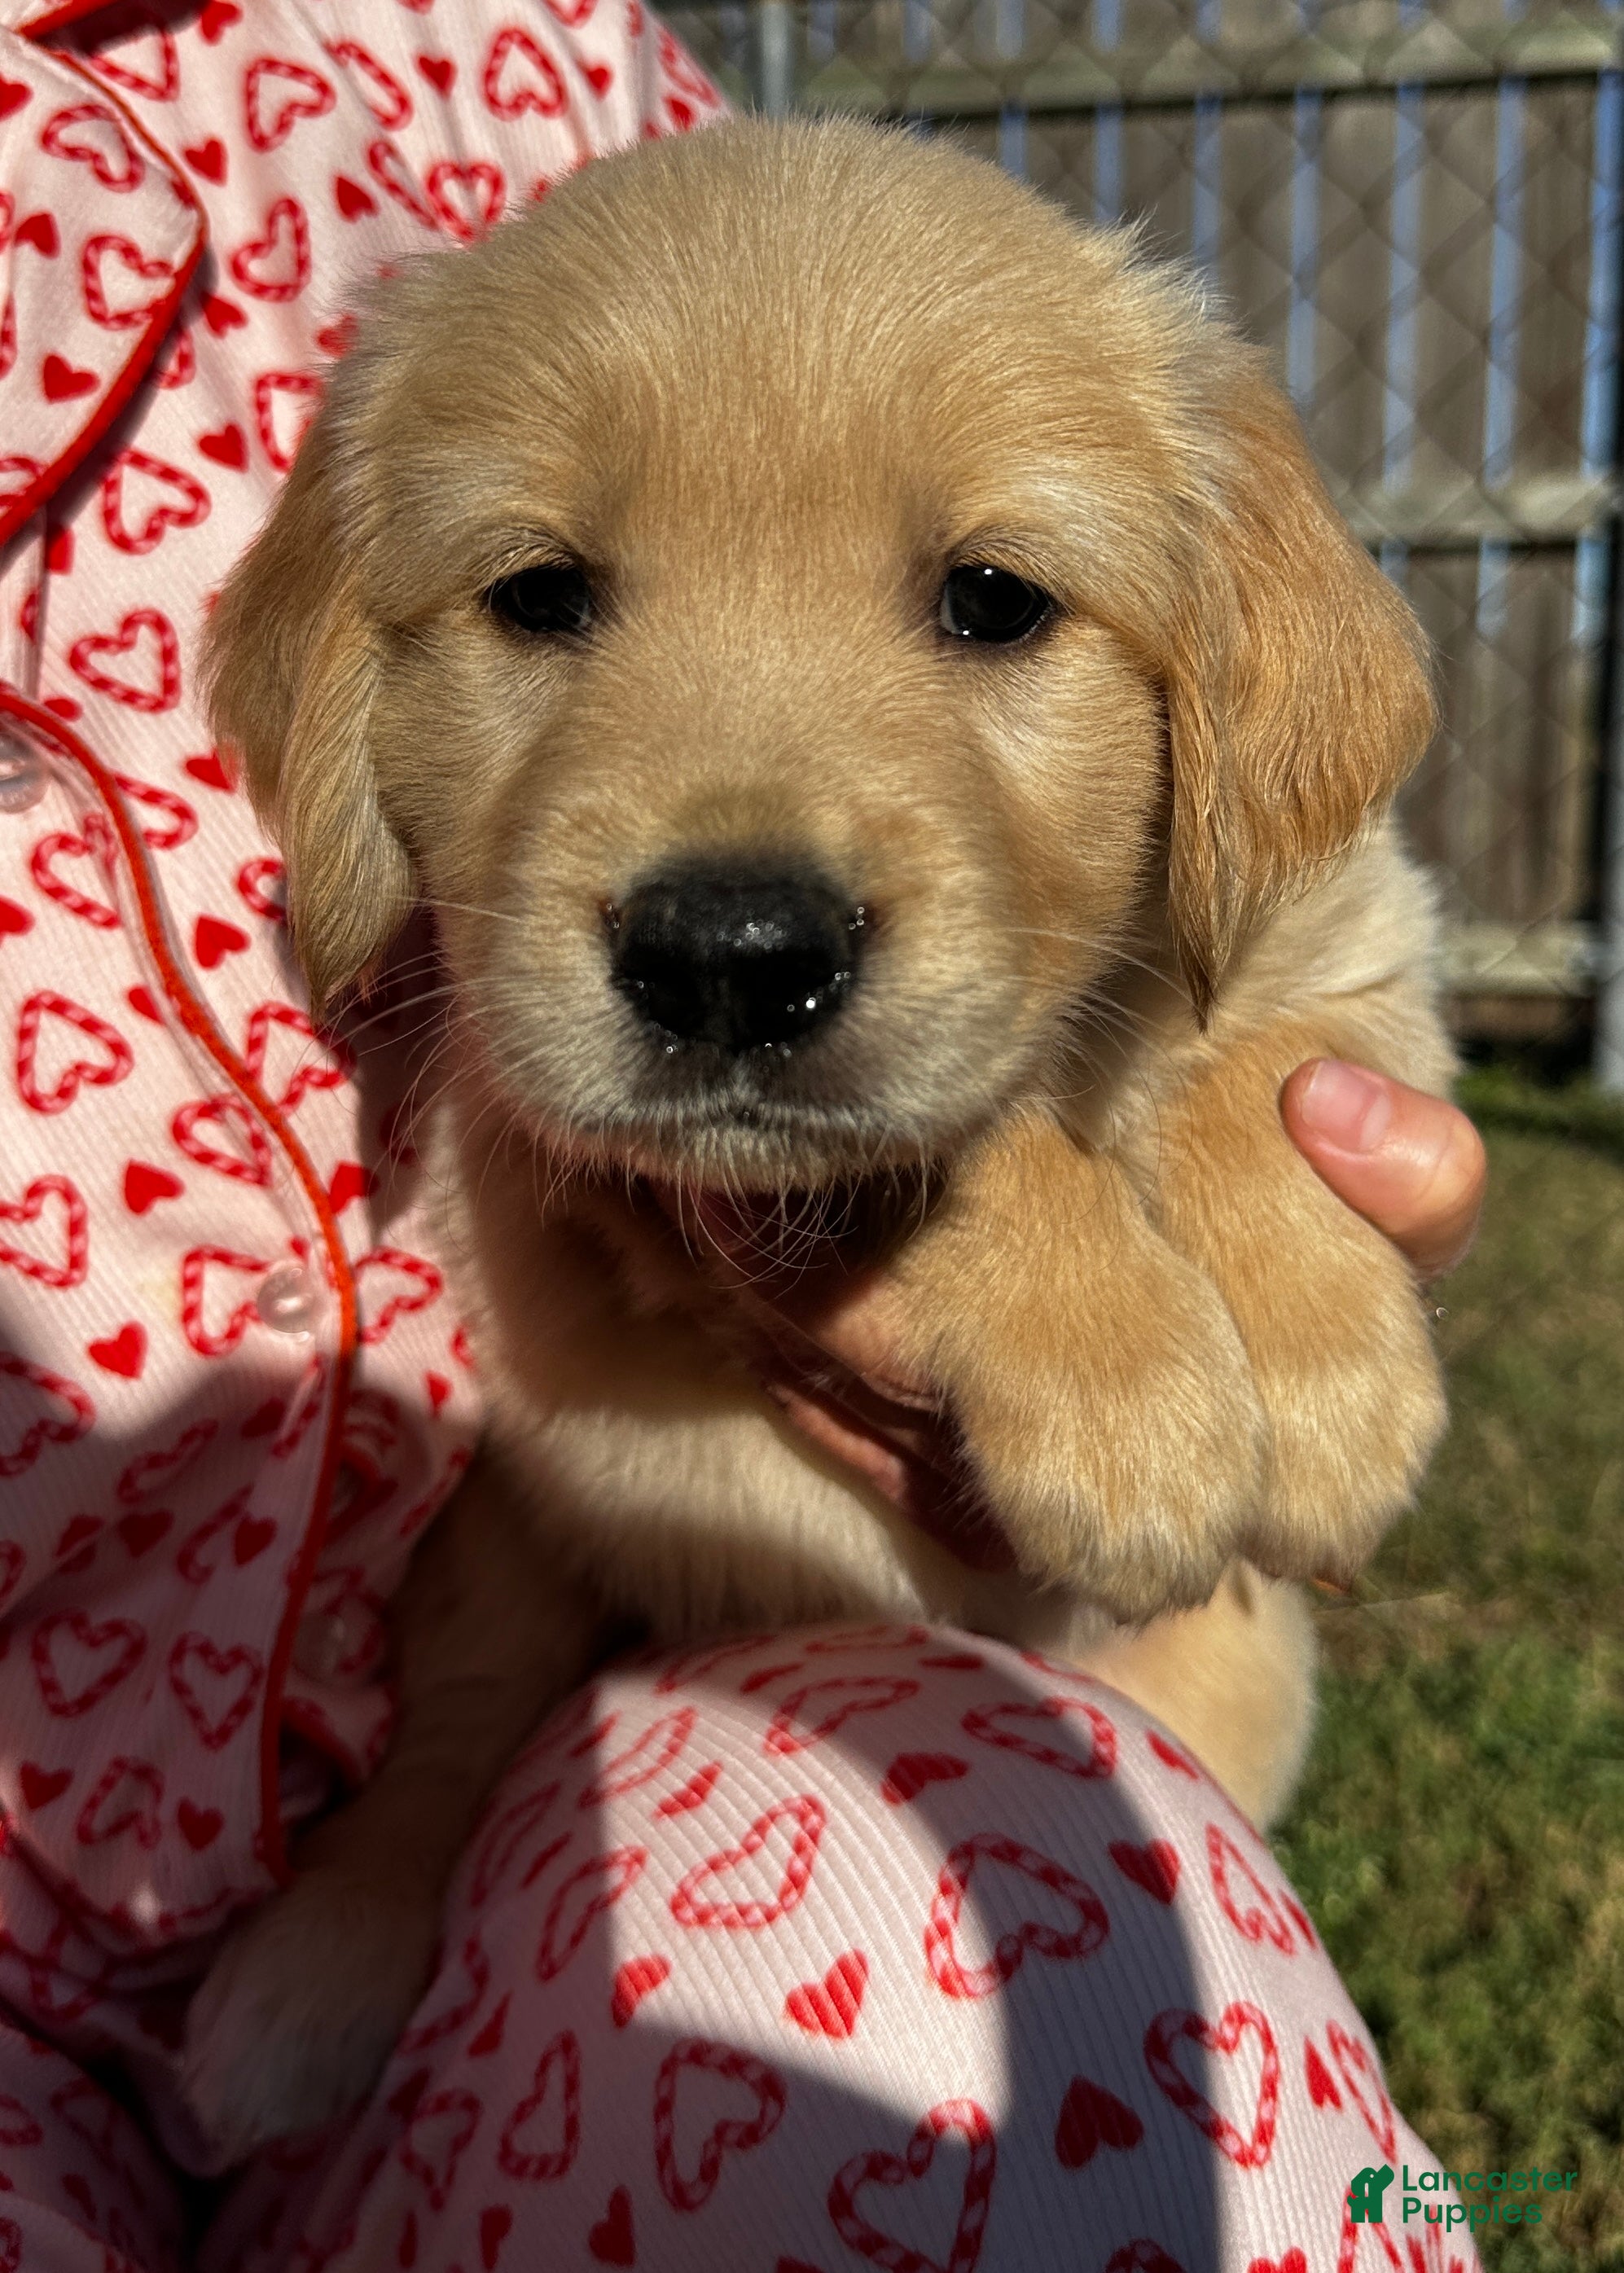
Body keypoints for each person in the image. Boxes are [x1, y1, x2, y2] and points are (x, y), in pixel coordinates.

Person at [0, 0, 1486, 2261]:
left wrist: (1244, 1220)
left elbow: (1309, 965)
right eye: (542, 595)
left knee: (1080, 2051)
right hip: (375, 1736)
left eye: (991, 600)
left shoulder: (495, 44)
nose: (729, 882)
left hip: (680, 1824)